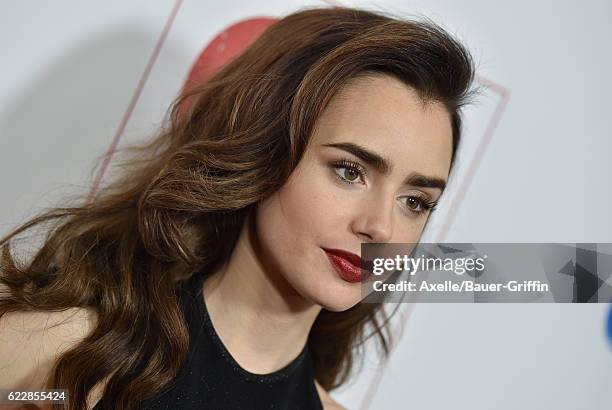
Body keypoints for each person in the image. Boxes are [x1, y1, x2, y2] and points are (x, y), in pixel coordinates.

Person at [0, 5, 477, 410]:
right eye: (349, 171)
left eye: (415, 201)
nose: (380, 226)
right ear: (264, 154)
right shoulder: (65, 357)